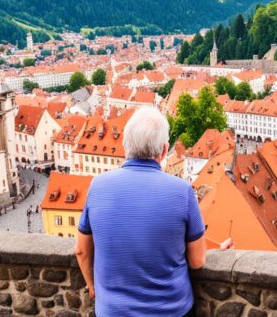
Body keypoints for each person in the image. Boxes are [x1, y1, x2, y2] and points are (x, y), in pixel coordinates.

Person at [74, 107, 229, 316]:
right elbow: (197, 260)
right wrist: (220, 251)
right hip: (171, 311)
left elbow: (82, 251)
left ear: (124, 145)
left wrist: (93, 287)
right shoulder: (182, 191)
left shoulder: (98, 186)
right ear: (165, 150)